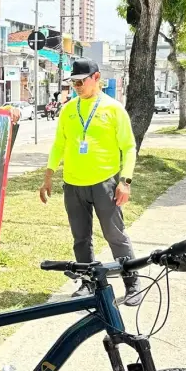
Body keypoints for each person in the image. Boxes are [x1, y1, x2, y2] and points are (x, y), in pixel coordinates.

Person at [38, 58, 142, 306]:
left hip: (104, 182)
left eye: (80, 81)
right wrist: (48, 176)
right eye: (73, 82)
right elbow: (59, 144)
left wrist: (125, 181)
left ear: (96, 78)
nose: (76, 85)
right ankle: (88, 282)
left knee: (114, 235)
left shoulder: (113, 109)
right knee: (81, 237)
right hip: (73, 185)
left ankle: (133, 282)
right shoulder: (68, 110)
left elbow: (128, 147)